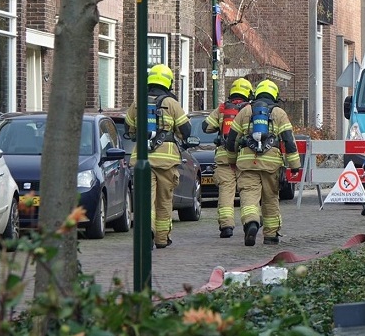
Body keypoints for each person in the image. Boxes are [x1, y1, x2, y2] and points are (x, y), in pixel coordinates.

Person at [224, 79, 301, 246]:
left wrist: (231, 160)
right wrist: (295, 165)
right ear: (275, 95)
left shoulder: (245, 111)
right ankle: (271, 235)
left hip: (247, 163)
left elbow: (231, 140)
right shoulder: (279, 113)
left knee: (249, 197)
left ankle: (251, 222)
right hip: (271, 164)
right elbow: (288, 141)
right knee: (271, 198)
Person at [126, 64, 192, 248]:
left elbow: (129, 128)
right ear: (168, 82)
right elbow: (186, 130)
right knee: (164, 200)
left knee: (146, 198)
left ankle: (147, 230)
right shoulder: (171, 104)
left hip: (143, 160)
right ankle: (162, 239)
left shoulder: (138, 102)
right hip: (167, 161)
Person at [201, 77, 253, 238]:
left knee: (226, 191)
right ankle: (250, 222)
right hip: (244, 157)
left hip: (224, 158)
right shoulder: (250, 109)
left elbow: (206, 127)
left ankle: (226, 226)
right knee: (248, 191)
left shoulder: (223, 108)